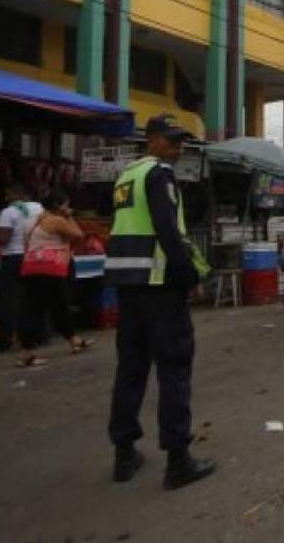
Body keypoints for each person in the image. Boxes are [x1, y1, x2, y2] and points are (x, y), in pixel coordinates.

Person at [106, 114, 215, 490]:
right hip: (159, 284)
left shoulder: (125, 176)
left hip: (128, 285)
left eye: (181, 140)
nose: (178, 147)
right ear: (151, 140)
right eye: (171, 140)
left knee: (130, 369)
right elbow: (169, 231)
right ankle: (178, 459)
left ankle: (124, 454)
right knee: (174, 369)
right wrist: (188, 278)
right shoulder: (159, 175)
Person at [17, 191, 94, 367]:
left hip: (30, 267)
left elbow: (27, 244)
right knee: (49, 308)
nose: (69, 208)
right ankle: (26, 352)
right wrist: (69, 217)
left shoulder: (31, 221)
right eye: (67, 205)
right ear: (58, 206)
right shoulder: (57, 220)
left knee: (45, 306)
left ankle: (74, 339)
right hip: (50, 269)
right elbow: (78, 235)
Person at [0, 184, 43, 352]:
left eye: (8, 194)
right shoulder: (38, 208)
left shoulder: (8, 212)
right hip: (33, 256)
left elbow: (3, 239)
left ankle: (5, 341)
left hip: (13, 258)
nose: (6, 198)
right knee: (31, 299)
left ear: (18, 193)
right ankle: (35, 337)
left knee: (9, 301)